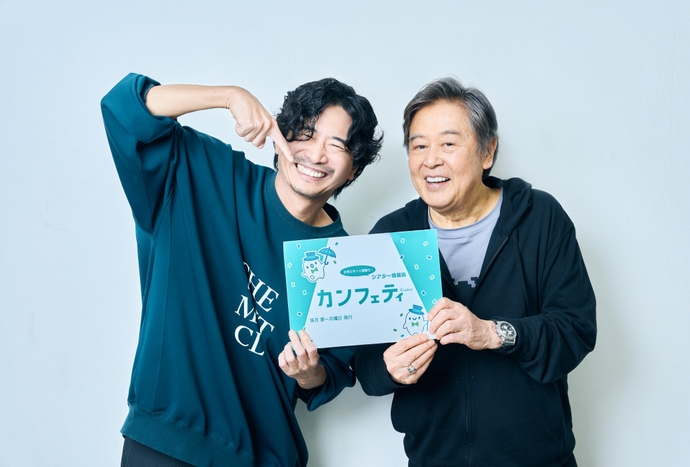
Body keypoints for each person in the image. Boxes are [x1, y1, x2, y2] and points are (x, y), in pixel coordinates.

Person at [101, 72, 382, 467]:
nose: (317, 154)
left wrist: (307, 373)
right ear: (282, 134)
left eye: (336, 145)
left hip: (265, 455)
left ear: (353, 169)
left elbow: (329, 376)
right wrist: (228, 95)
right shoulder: (205, 173)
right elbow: (125, 107)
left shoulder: (348, 264)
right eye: (306, 133)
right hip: (167, 437)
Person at [354, 78, 596, 467]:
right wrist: (390, 370)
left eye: (448, 144)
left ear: (488, 151)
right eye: (419, 146)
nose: (431, 160)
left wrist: (489, 333)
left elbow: (576, 330)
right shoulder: (392, 235)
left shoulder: (540, 217)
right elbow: (365, 366)